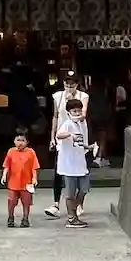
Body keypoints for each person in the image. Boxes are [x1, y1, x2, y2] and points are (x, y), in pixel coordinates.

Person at [43, 74, 86, 218]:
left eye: (72, 85)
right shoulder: (58, 96)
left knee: (79, 172)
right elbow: (55, 116)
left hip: (78, 136)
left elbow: (82, 115)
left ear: (77, 85)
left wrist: (71, 103)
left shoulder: (83, 96)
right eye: (67, 84)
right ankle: (56, 203)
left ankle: (78, 204)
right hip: (63, 136)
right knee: (59, 170)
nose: (69, 87)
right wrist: (52, 137)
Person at [55, 97, 92, 228]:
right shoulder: (67, 124)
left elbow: (80, 142)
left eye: (79, 110)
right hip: (69, 164)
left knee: (84, 189)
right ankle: (72, 218)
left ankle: (74, 211)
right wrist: (69, 135)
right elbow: (59, 135)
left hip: (80, 162)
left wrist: (88, 147)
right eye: (74, 111)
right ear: (69, 112)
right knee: (70, 193)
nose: (77, 113)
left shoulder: (82, 124)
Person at [0, 126, 40, 228]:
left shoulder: (31, 152)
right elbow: (7, 166)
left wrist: (34, 178)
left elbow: (34, 167)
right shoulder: (11, 151)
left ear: (27, 142)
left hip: (27, 183)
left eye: (23, 140)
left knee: (26, 202)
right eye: (18, 140)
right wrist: (4, 175)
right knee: (11, 201)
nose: (20, 143)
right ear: (14, 141)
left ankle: (25, 219)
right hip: (13, 183)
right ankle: (10, 218)